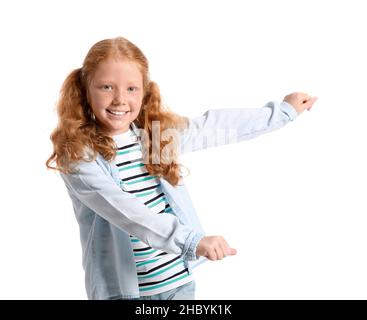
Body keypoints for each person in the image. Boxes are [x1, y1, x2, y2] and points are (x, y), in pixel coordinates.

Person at [46, 36, 317, 300]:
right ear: (85, 89)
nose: (119, 99)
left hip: (179, 284)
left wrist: (282, 113)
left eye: (131, 88)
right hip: (124, 292)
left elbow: (213, 127)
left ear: (145, 91)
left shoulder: (153, 138)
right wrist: (190, 241)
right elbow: (126, 210)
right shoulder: (79, 156)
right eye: (106, 87)